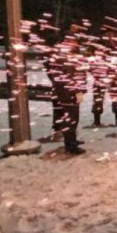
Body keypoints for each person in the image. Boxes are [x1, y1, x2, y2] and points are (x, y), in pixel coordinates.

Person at [46, 23, 89, 154]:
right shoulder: (63, 56)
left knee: (72, 118)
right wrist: (75, 90)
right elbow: (67, 75)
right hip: (67, 91)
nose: (75, 43)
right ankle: (70, 146)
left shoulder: (70, 54)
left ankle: (71, 141)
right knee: (70, 118)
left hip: (70, 90)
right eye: (73, 41)